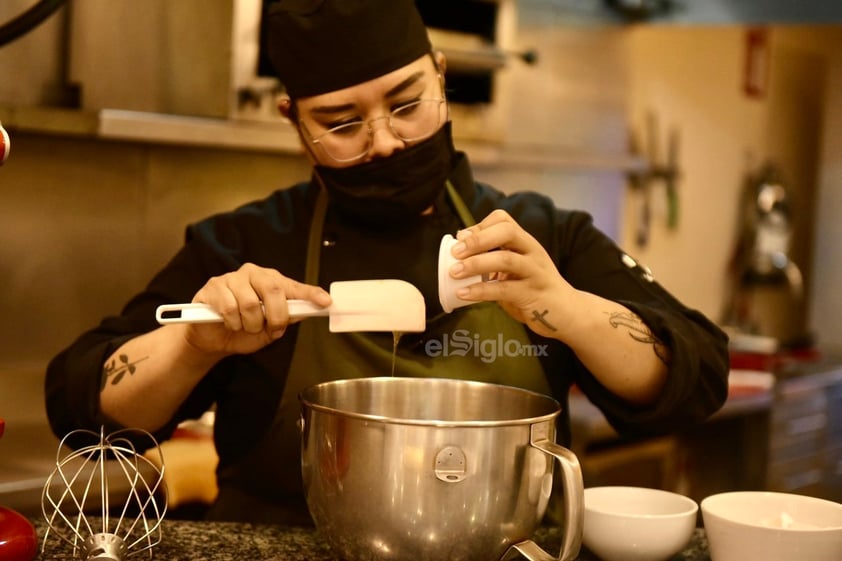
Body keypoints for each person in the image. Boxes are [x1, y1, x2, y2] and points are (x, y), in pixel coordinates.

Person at [45, 0, 729, 524]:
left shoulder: (547, 235)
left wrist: (567, 308)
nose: (385, 143)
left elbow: (696, 375)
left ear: (440, 76)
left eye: (407, 104)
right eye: (342, 123)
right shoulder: (248, 245)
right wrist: (192, 345)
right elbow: (86, 408)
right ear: (295, 120)